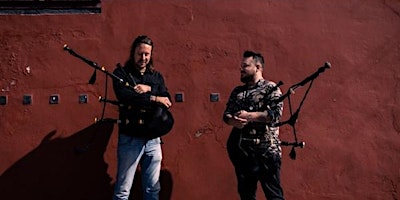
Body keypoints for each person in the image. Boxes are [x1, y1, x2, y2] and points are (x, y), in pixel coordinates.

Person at [112, 35, 172, 200]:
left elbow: (167, 100)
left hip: (153, 139)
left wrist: (149, 89)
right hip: (130, 138)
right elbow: (127, 97)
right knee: (123, 191)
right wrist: (155, 98)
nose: (143, 58)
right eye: (140, 53)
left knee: (153, 190)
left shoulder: (156, 77)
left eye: (147, 54)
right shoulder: (121, 74)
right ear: (133, 53)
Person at [223, 50, 285, 200]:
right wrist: (233, 121)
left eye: (245, 66)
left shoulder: (271, 89)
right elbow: (226, 115)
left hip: (267, 152)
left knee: (274, 195)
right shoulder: (238, 92)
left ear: (257, 67)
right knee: (246, 195)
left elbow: (274, 115)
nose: (241, 69)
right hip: (244, 152)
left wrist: (248, 116)